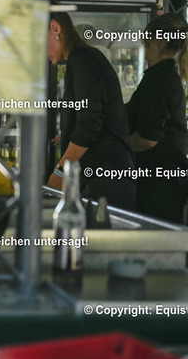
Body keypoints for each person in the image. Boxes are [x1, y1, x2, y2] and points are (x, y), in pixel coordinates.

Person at [46, 12, 136, 210]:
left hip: (105, 180)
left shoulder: (83, 58)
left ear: (55, 28)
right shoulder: (81, 60)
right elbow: (92, 117)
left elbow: (89, 125)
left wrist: (60, 172)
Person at [126, 13, 188, 222]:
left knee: (153, 236)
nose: (146, 47)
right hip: (165, 179)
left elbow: (148, 137)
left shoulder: (160, 79)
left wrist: (118, 146)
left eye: (147, 41)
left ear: (158, 41)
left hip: (159, 183)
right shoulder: (166, 76)